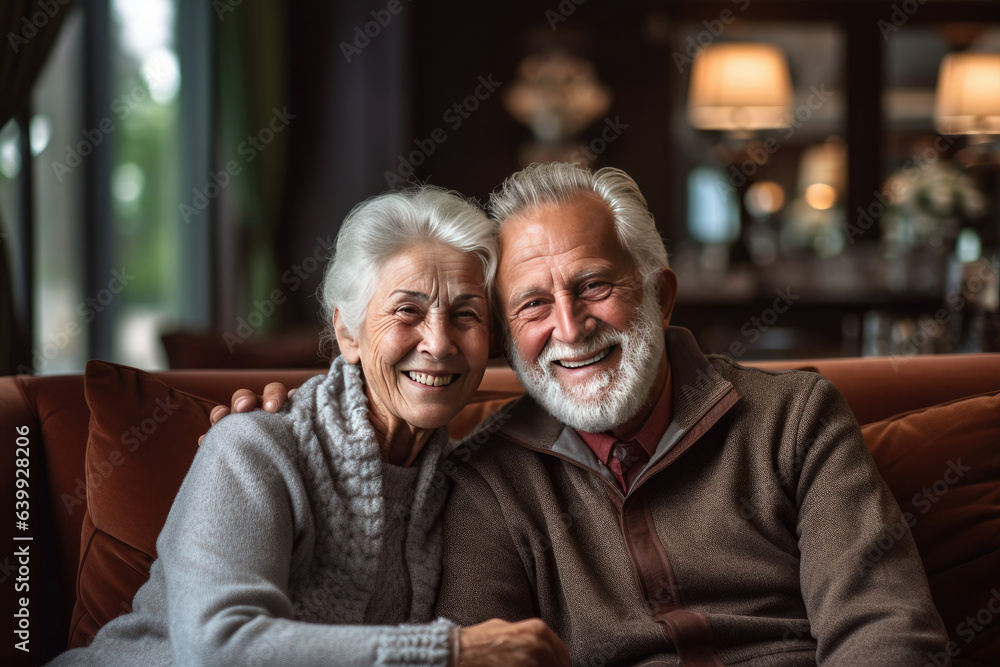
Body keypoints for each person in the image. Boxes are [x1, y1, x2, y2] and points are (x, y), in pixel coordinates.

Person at [223, 163, 951, 665]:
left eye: (595, 285)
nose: (570, 328)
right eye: (533, 304)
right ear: (509, 338)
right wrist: (281, 432)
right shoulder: (486, 477)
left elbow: (884, 629)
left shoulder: (794, 417)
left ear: (659, 296)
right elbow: (486, 654)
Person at [48, 187, 570, 667]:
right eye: (407, 311)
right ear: (348, 331)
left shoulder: (458, 482)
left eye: (466, 315)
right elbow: (218, 648)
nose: (439, 343)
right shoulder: (251, 443)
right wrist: (447, 651)